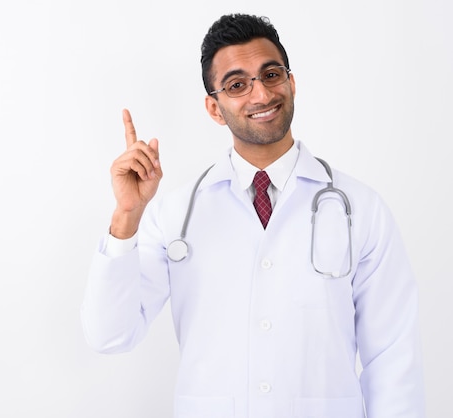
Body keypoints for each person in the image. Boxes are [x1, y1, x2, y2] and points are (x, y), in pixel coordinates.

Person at [81, 13, 425, 418]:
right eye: (237, 84)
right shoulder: (173, 215)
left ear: (291, 83)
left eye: (271, 74)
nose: (261, 95)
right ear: (214, 107)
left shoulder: (361, 209)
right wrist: (126, 218)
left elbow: (392, 359)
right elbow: (109, 335)